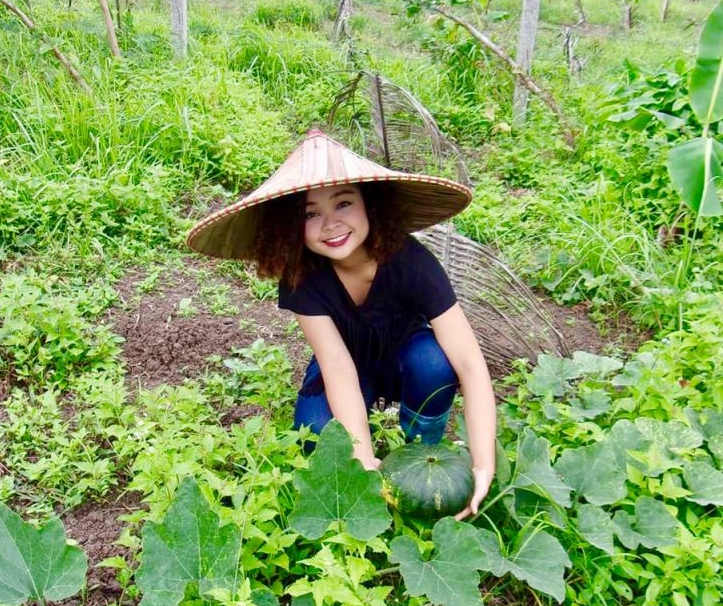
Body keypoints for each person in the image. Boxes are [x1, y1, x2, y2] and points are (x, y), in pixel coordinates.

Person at [188, 129, 496, 519]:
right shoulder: (302, 275)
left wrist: (482, 464)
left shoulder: (412, 263)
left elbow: (471, 364)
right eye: (310, 213)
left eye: (344, 203)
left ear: (371, 205)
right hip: (347, 365)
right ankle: (370, 451)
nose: (329, 224)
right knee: (318, 438)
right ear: (291, 227)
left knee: (435, 363)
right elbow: (337, 366)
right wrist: (364, 459)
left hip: (407, 356)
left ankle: (421, 450)